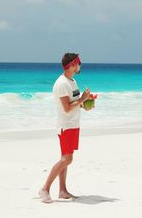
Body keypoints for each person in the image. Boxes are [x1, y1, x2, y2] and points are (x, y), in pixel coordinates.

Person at [39, 53, 93, 203]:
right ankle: (45, 189)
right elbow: (67, 107)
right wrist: (82, 99)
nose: (80, 65)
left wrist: (85, 103)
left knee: (66, 159)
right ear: (72, 65)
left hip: (73, 124)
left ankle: (62, 191)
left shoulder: (72, 81)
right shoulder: (62, 83)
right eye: (79, 62)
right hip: (66, 126)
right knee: (66, 159)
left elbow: (74, 103)